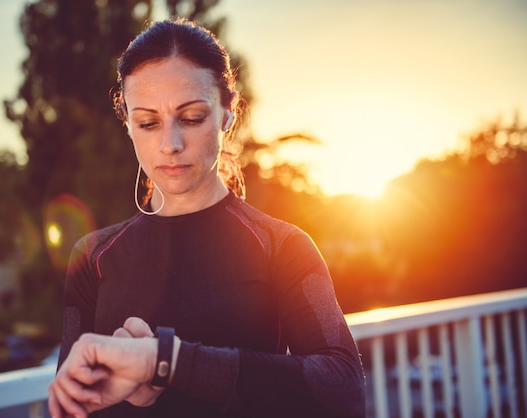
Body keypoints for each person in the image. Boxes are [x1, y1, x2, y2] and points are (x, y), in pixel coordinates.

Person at [48, 17, 365, 418]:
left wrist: (164, 362)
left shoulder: (281, 245)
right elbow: (68, 406)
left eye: (193, 117)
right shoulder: (92, 256)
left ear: (227, 114)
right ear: (128, 125)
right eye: (148, 123)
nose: (170, 144)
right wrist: (120, 388)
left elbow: (343, 389)